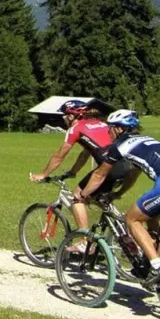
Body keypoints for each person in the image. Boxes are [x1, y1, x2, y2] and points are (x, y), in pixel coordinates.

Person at [83, 109, 160, 289]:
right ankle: (153, 263)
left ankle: (157, 266)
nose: (108, 132)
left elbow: (99, 174)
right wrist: (118, 194)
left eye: (110, 128)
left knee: (132, 219)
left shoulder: (121, 146)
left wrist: (83, 195)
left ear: (119, 129)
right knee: (152, 222)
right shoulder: (147, 140)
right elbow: (134, 174)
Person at [29, 99, 134, 241]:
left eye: (65, 116)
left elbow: (59, 156)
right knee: (96, 197)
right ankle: (121, 226)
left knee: (77, 197)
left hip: (110, 168)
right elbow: (86, 153)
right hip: (128, 165)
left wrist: (43, 174)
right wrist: (73, 171)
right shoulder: (100, 123)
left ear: (71, 116)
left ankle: (84, 241)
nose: (65, 119)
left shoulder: (75, 128)